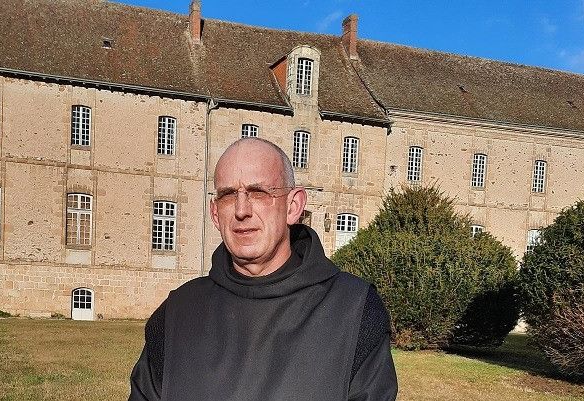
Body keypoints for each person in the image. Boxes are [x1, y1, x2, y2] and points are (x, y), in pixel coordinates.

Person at [129, 138, 397, 401]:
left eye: (258, 193)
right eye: (228, 196)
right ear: (214, 214)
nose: (241, 210)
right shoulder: (176, 314)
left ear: (293, 207)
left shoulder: (355, 311)